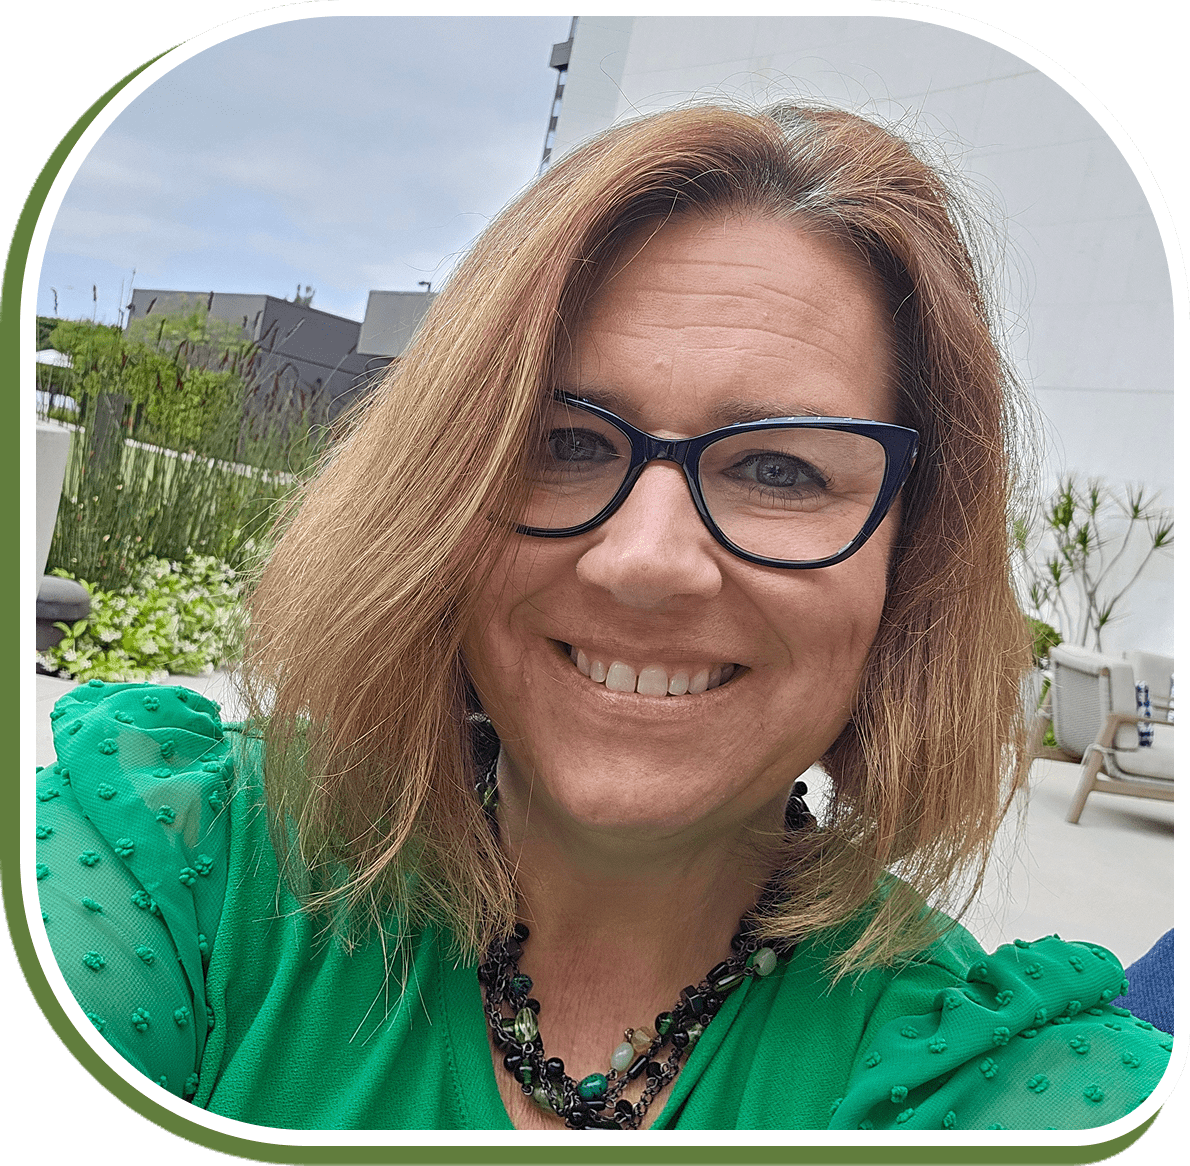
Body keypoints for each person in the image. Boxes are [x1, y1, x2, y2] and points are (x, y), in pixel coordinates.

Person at [35, 103, 1172, 1131]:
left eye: (777, 468)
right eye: (563, 443)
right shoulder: (183, 865)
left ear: (906, 564)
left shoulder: (992, 1080)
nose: (645, 561)